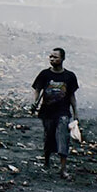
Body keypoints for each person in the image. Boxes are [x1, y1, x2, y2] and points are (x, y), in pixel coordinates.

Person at [32, 47, 80, 179]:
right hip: (47, 112)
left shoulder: (69, 76)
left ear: (63, 59)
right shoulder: (44, 74)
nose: (52, 59)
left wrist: (75, 112)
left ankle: (63, 169)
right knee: (49, 138)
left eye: (55, 57)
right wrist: (34, 102)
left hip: (63, 112)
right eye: (51, 57)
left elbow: (71, 96)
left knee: (63, 138)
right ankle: (47, 160)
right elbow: (37, 89)